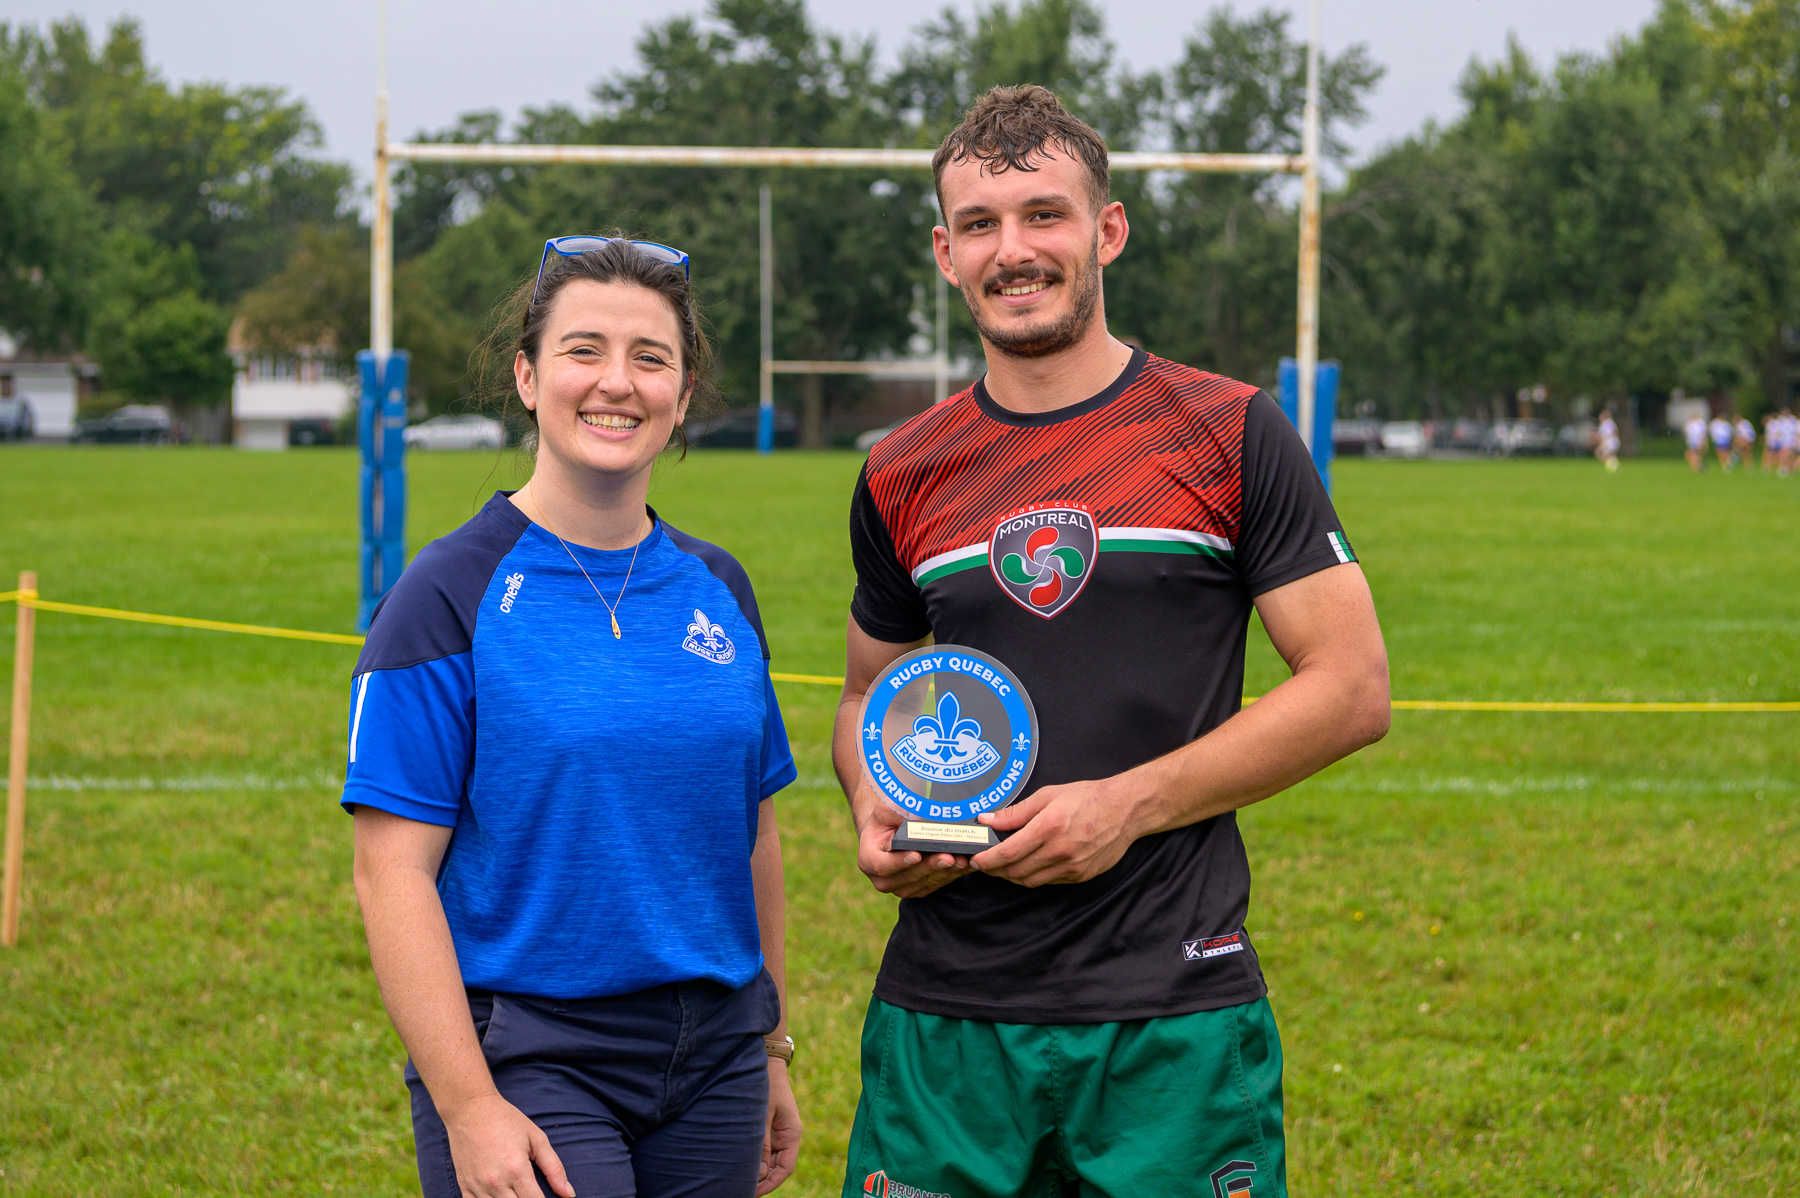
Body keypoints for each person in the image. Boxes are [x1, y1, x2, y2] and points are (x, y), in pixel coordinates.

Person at [833, 86, 1390, 1198]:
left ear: (1107, 230)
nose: (1015, 250)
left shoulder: (1228, 430)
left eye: (1045, 214)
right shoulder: (902, 467)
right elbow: (866, 695)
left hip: (1170, 1013)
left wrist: (1123, 806)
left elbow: (1351, 687)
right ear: (946, 253)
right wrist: (872, 803)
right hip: (948, 1016)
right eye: (981, 224)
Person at [343, 237, 802, 1198]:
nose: (617, 384)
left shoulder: (720, 587)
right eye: (583, 349)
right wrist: (469, 1108)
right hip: (530, 1057)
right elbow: (391, 874)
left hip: (715, 1058)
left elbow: (752, 835)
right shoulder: (446, 593)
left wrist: (771, 1046)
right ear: (527, 374)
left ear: (682, 392)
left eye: (651, 357)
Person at [1595, 408, 1621, 473]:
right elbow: (1616, 431)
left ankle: (1613, 466)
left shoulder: (1605, 423)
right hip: (1614, 442)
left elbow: (1605, 435)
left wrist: (1603, 442)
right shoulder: (1611, 422)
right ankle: (1613, 465)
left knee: (1601, 454)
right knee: (1609, 456)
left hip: (1609, 442)